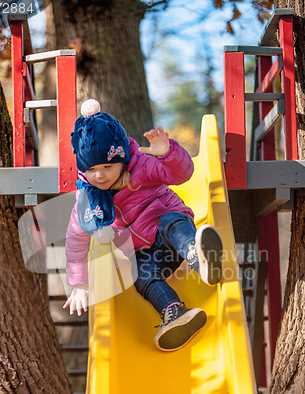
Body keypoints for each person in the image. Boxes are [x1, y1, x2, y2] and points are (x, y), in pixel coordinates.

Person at [63, 99, 223, 352]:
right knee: (139, 275)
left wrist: (167, 153)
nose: (100, 175)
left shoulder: (142, 167)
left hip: (170, 232)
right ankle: (175, 314)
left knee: (171, 220)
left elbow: (182, 175)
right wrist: (79, 284)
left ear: (122, 159)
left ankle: (198, 255)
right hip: (147, 254)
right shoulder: (87, 200)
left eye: (108, 166)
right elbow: (75, 240)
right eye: (92, 170)